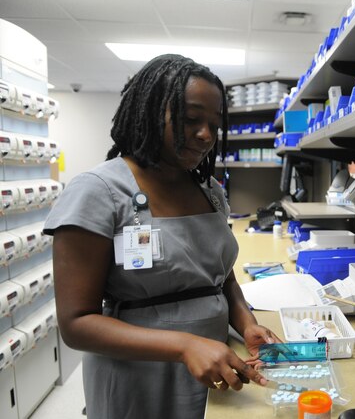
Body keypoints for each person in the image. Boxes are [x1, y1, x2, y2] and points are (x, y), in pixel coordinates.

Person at [43, 54, 282, 419]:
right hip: (138, 379)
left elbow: (220, 277)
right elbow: (76, 323)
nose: (205, 135)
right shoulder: (98, 192)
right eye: (190, 120)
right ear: (151, 112)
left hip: (213, 369)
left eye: (214, 125)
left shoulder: (209, 190)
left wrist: (246, 323)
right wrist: (184, 346)